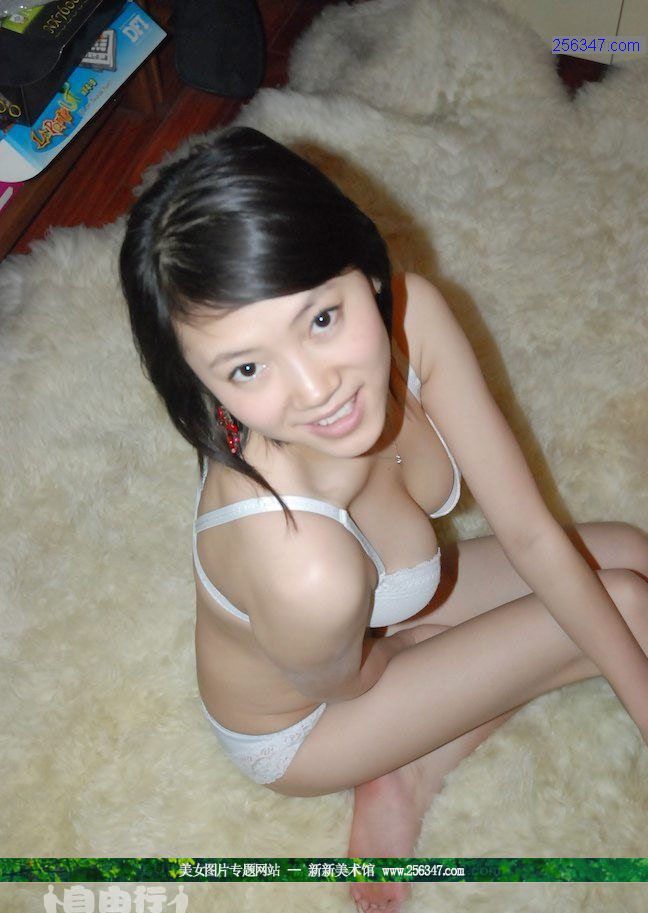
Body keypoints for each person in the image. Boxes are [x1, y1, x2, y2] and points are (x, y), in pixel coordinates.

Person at [119, 126, 648, 913]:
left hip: (371, 620)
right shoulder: (304, 563)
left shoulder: (414, 313)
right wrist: (411, 648)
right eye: (248, 368)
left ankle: (416, 752)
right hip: (310, 721)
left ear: (362, 268)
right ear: (202, 387)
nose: (316, 389)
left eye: (321, 319)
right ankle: (403, 767)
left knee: (626, 553)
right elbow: (350, 679)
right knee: (626, 603)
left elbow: (533, 533)